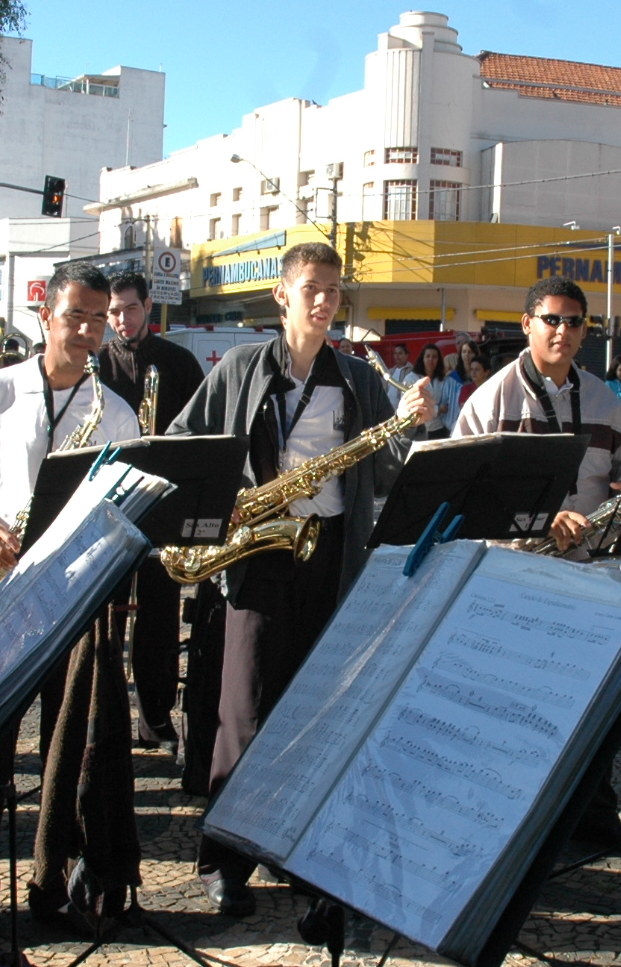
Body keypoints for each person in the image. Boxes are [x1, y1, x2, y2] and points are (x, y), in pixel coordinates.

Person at [169, 242, 431, 916]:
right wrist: (224, 495)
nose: (325, 301)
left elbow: (387, 469)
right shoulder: (239, 367)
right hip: (258, 552)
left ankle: (298, 850)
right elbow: (184, 439)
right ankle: (225, 858)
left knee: (316, 709)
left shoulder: (358, 378)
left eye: (334, 290)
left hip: (332, 554)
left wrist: (410, 428)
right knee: (244, 709)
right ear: (281, 295)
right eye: (312, 287)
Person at [0, 262, 141, 928]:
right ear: (45, 317)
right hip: (1, 583)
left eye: (98, 318)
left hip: (70, 594)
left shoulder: (114, 411)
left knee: (67, 744)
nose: (87, 331)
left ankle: (52, 879)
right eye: (75, 316)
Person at [453, 277, 621, 851]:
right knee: (515, 706)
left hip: (587, 572)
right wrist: (542, 519)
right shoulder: (491, 399)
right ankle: (507, 826)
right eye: (551, 320)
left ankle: (594, 816)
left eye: (574, 321)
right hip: (515, 576)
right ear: (527, 324)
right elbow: (466, 486)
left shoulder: (602, 397)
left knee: (591, 702)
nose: (563, 331)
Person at [98, 271, 206, 746]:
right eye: (114, 311)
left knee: (160, 615)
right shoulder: (96, 364)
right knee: (107, 615)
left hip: (164, 504)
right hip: (110, 505)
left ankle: (155, 717)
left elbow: (202, 431)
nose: (123, 319)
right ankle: (104, 715)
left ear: (147, 308)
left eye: (130, 308)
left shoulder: (179, 362)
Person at [416, 342, 460, 439]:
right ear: (422, 358)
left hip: (439, 429)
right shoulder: (412, 378)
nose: (430, 359)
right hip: (420, 429)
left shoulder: (442, 380)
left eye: (434, 357)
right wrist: (438, 410)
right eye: (428, 356)